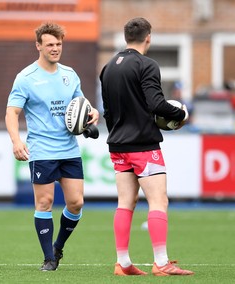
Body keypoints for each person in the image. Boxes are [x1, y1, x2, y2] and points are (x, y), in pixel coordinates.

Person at [99, 17, 193, 276]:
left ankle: (123, 262)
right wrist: (180, 115)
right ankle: (161, 263)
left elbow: (108, 111)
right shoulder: (146, 64)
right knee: (158, 200)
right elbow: (156, 104)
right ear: (148, 37)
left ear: (126, 36)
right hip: (142, 145)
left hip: (117, 144)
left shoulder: (108, 67)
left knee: (125, 203)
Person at [5, 22, 99, 272]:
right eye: (50, 44)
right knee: (44, 202)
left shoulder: (70, 74)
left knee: (76, 203)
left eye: (58, 44)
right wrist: (16, 141)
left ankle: (58, 246)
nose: (55, 48)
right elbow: (12, 112)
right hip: (42, 150)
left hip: (69, 149)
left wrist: (92, 112)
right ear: (38, 46)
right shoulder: (26, 78)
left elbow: (81, 104)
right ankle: (49, 258)